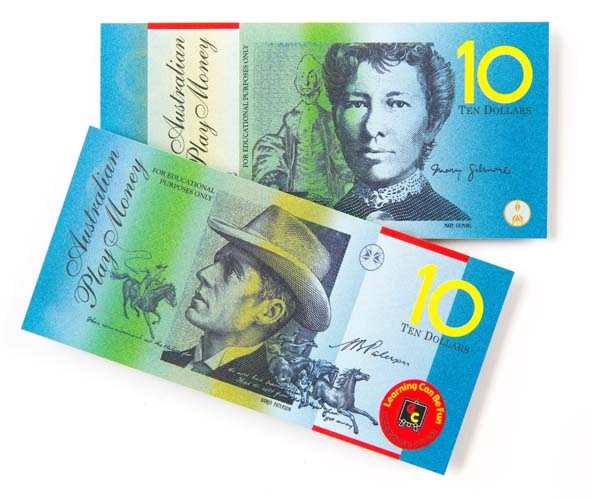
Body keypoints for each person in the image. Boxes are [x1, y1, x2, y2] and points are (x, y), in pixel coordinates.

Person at [161, 205, 332, 401]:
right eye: (217, 261)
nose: (204, 274)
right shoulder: (167, 360)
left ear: (270, 312)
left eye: (232, 270)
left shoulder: (265, 399)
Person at [323, 43, 470, 221]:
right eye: (357, 104)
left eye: (397, 104)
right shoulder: (325, 221)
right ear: (336, 120)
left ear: (432, 123)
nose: (372, 128)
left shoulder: (452, 221)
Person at [252, 55, 352, 206]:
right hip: (296, 194)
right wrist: (273, 179)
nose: (306, 82)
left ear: (318, 80)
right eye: (303, 76)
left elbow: (338, 154)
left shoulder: (327, 119)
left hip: (325, 195)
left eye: (311, 76)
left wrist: (348, 182)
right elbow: (276, 148)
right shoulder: (291, 119)